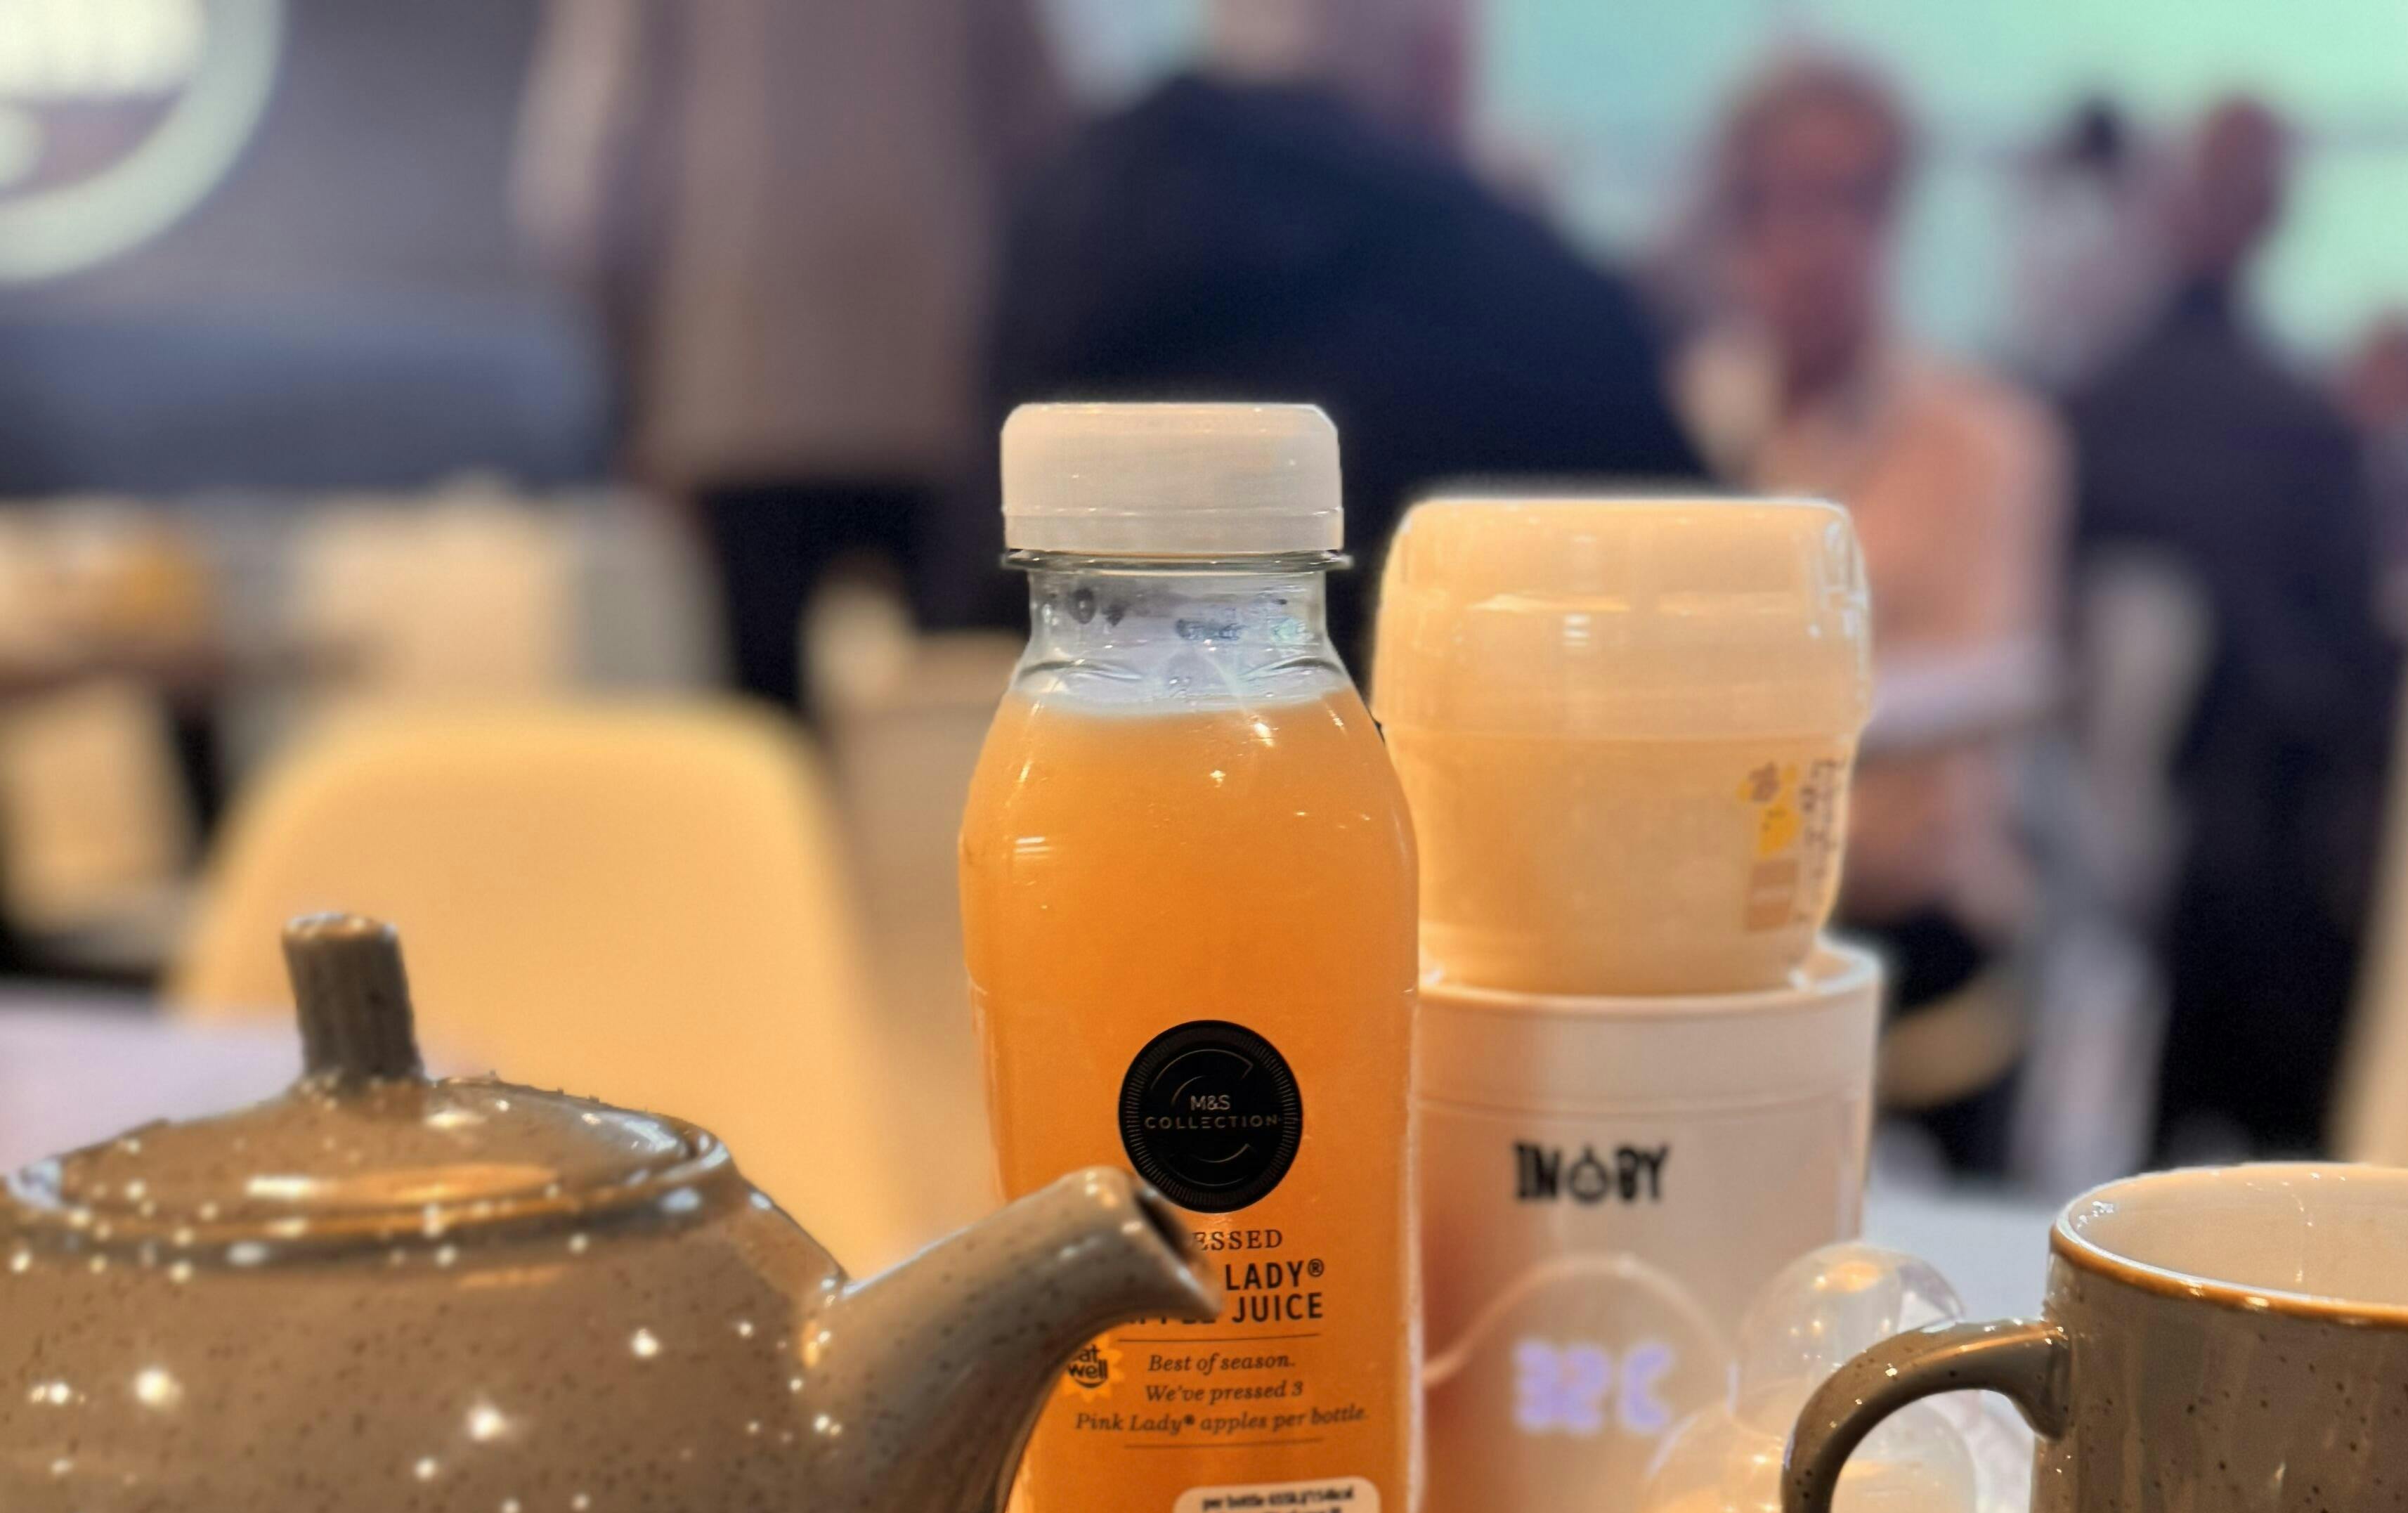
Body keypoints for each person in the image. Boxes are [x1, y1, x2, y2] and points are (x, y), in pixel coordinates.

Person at [975, 0, 1703, 670]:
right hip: (1409, 740)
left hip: (1040, 710)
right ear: (1439, 58)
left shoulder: (1059, 225)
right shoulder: (1524, 292)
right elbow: (1693, 584)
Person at [1686, 56, 2067, 1176]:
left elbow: (1995, 671)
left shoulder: (1987, 436)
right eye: (1778, 201)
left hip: (1911, 916)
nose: (1813, 240)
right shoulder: (1683, 406)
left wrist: (1747, 705)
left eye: (1849, 200)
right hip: (1711, 923)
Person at [514, 0, 1067, 709]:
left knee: (761, 724)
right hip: (938, 391)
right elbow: (1047, 152)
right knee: (945, 721)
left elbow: (586, 206)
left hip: (732, 390)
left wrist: (637, 385)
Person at [2068, 96, 2400, 1160]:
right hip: (2251, 866)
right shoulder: (2305, 427)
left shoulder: (2090, 406)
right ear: (2273, 215)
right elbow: (2354, 672)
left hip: (2100, 853)